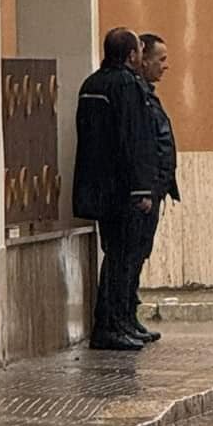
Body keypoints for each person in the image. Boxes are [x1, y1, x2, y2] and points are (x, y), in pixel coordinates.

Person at [72, 28, 159, 352]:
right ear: (131, 55)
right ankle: (112, 324)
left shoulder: (91, 84)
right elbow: (134, 139)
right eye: (138, 51)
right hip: (123, 192)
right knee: (121, 261)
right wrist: (142, 190)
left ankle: (119, 322)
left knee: (116, 257)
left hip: (98, 189)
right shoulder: (126, 86)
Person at [131, 32, 181, 343]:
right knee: (129, 257)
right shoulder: (136, 95)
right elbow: (141, 146)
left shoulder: (146, 94)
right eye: (160, 59)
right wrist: (145, 189)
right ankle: (121, 317)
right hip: (143, 194)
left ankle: (130, 314)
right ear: (142, 58)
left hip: (154, 190)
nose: (166, 66)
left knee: (139, 256)